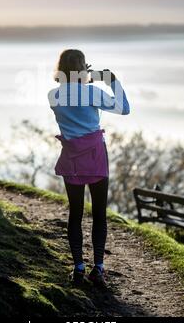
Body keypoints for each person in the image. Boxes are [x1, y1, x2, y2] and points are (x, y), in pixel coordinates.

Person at [48, 49, 130, 287]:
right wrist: (111, 81)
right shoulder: (92, 93)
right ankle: (98, 268)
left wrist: (82, 79)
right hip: (95, 157)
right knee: (99, 215)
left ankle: (78, 267)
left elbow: (71, 92)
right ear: (83, 68)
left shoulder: (53, 96)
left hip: (72, 159)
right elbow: (124, 108)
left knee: (75, 214)